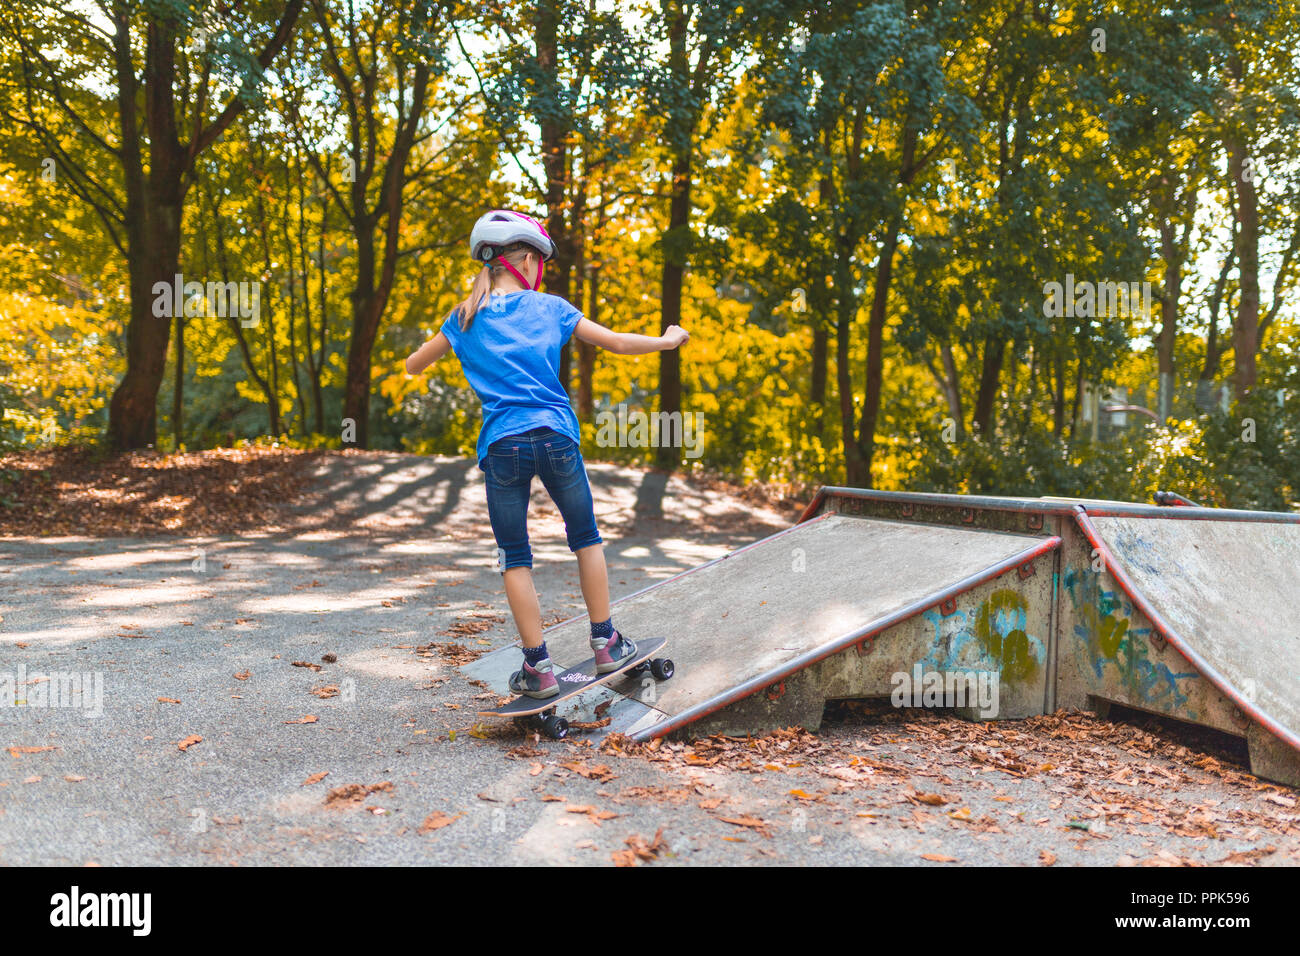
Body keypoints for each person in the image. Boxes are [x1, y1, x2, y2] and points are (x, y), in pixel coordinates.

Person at [404, 209, 689, 698]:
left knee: (514, 558)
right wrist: (666, 341)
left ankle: (538, 667)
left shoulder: (463, 317)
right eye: (540, 262)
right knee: (585, 537)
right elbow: (617, 343)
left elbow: (412, 365)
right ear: (528, 261)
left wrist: (442, 346)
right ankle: (606, 641)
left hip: (503, 448)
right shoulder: (551, 307)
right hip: (556, 439)